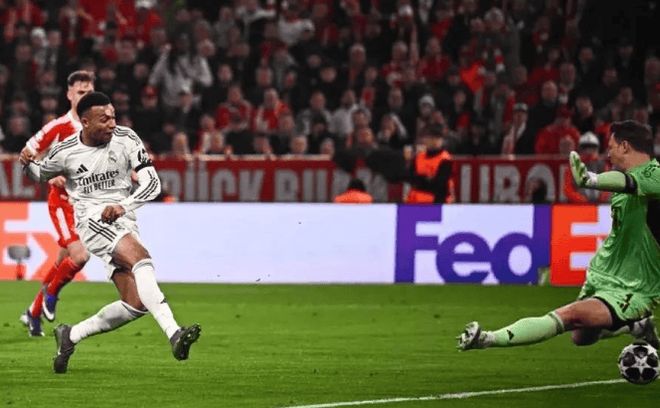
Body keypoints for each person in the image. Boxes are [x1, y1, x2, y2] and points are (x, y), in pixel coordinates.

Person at [21, 92, 201, 373]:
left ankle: (71, 335)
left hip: (123, 218)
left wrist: (123, 205)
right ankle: (174, 333)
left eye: (113, 117)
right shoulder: (66, 151)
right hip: (91, 221)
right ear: (85, 122)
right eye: (104, 119)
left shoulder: (126, 138)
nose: (112, 124)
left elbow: (152, 183)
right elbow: (40, 174)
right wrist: (27, 163)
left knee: (136, 304)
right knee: (140, 257)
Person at [457, 120, 660, 352]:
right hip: (603, 275)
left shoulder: (655, 175)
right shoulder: (624, 186)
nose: (608, 153)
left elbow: (628, 182)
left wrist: (591, 180)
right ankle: (637, 326)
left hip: (635, 287)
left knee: (570, 315)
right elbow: (626, 186)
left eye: (611, 146)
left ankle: (487, 338)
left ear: (625, 146)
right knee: (581, 337)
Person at [18, 70, 95, 337]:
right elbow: (27, 153)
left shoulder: (97, 127)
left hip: (84, 207)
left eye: (89, 92)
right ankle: (51, 295)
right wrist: (50, 175)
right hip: (62, 204)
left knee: (61, 262)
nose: (86, 96)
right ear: (69, 95)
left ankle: (33, 312)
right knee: (80, 256)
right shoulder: (59, 127)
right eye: (81, 92)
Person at [405, 124, 454, 204]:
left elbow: (439, 185)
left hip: (436, 203)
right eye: (431, 138)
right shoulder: (418, 157)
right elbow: (410, 178)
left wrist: (420, 180)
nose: (434, 141)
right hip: (414, 202)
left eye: (437, 138)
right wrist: (427, 179)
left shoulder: (445, 159)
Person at [562, 132, 609, 203]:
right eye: (585, 147)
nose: (588, 150)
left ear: (597, 149)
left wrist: (601, 198)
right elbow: (567, 189)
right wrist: (581, 200)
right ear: (580, 149)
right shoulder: (572, 166)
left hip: (600, 204)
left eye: (592, 147)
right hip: (579, 205)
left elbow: (608, 186)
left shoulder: (603, 165)